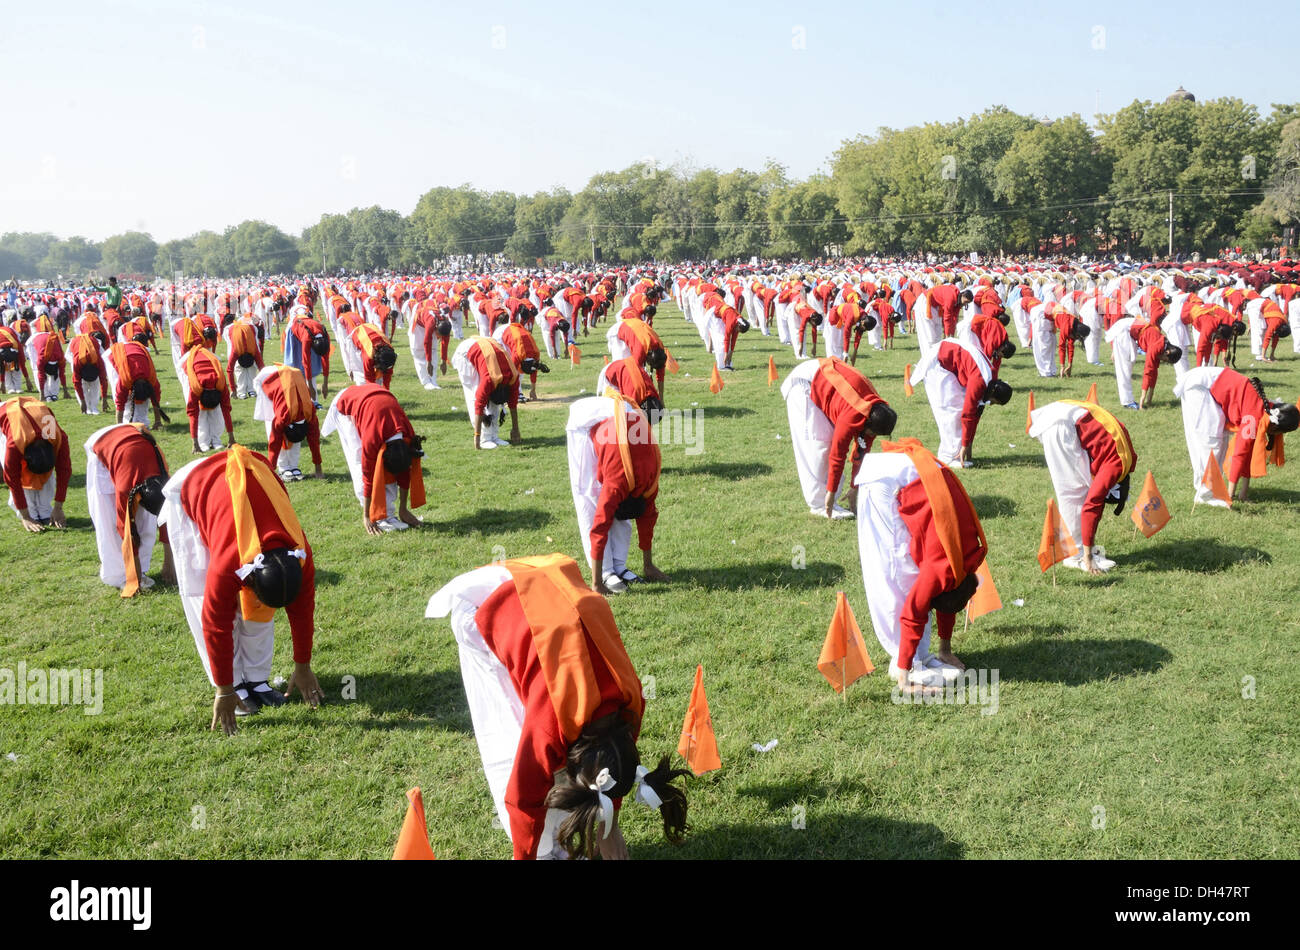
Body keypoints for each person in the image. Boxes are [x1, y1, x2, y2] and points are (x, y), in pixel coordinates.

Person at [425, 553, 689, 859]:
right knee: (508, 736)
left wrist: (609, 831)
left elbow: (607, 784)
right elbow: (521, 800)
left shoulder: (631, 705)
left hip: (546, 586)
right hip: (481, 607)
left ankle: (557, 842)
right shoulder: (549, 725)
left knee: (550, 764)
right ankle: (547, 851)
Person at [159, 445, 323, 734]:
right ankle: (236, 685)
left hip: (247, 477)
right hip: (195, 486)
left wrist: (303, 666)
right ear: (247, 578)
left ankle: (257, 680)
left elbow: (302, 612)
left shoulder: (300, 554)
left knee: (257, 612)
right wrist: (223, 688)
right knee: (202, 595)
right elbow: (215, 624)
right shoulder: (229, 563)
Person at [855, 437, 987, 689]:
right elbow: (914, 611)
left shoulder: (970, 561)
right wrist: (905, 680)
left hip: (920, 472)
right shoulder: (941, 572)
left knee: (912, 571)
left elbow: (945, 603)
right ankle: (906, 663)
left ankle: (922, 656)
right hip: (888, 479)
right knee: (898, 570)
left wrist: (944, 649)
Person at [565, 394, 669, 595]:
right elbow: (598, 527)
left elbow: (648, 521)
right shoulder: (617, 483)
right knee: (590, 496)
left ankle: (619, 567)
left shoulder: (649, 486)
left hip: (621, 418)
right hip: (585, 420)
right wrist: (596, 584)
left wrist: (649, 565)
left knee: (618, 516)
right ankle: (605, 572)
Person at [1028, 399, 1137, 574]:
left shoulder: (1129, 459)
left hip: (1063, 411)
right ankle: (1076, 555)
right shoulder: (1114, 466)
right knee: (1075, 492)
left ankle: (1079, 549)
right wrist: (1089, 555)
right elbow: (1092, 505)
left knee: (1081, 486)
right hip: (1061, 426)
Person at [781, 357, 897, 518]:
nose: (872, 437)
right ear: (867, 423)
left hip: (821, 376)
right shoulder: (853, 416)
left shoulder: (875, 412)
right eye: (872, 433)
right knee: (819, 445)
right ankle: (820, 505)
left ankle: (829, 499)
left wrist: (854, 487)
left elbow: (862, 451)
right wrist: (830, 493)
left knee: (825, 444)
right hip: (804, 383)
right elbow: (838, 455)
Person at [1173, 367, 1299, 505]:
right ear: (1275, 427)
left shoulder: (1265, 409)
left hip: (1206, 383)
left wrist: (1243, 493)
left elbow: (1249, 454)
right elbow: (1240, 454)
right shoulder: (1254, 418)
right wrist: (1230, 496)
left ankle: (1213, 490)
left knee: (1221, 443)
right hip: (1200, 386)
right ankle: (1205, 495)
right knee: (1211, 442)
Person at [321, 382, 426, 533]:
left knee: (388, 471)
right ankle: (375, 514)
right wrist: (367, 516)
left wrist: (403, 508)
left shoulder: (407, 436)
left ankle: (388, 514)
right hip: (346, 405)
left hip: (370, 399)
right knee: (358, 459)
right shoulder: (372, 440)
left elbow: (404, 472)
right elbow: (368, 477)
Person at [84, 422, 176, 594]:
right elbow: (123, 526)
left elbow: (167, 519)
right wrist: (134, 576)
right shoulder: (126, 487)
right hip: (103, 441)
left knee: (146, 520)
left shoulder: (164, 478)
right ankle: (120, 575)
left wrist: (169, 562)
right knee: (108, 519)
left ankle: (141, 569)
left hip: (130, 437)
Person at [909, 337, 1013, 468]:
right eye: (994, 402)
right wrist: (965, 444)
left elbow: (977, 413)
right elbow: (968, 413)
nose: (991, 404)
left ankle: (955, 453)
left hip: (945, 359)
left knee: (958, 408)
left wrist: (968, 443)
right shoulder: (980, 381)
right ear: (993, 394)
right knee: (952, 410)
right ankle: (948, 457)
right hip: (938, 364)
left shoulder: (991, 380)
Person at [0, 395, 71, 531]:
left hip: (33, 408)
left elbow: (64, 471)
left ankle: (44, 510)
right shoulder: (14, 443)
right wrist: (25, 516)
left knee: (44, 479)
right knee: (24, 478)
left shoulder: (58, 439)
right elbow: (12, 479)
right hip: (8, 413)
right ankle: (30, 512)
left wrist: (58, 507)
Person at [253, 363, 323, 482]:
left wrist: (318, 467)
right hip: (268, 379)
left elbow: (314, 440)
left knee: (291, 441)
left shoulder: (310, 415)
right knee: (270, 422)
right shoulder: (282, 416)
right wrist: (271, 469)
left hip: (294, 377)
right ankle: (283, 467)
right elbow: (274, 441)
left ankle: (293, 466)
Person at [452, 336, 521, 450]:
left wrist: (515, 429)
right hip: (465, 352)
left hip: (486, 347)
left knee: (493, 403)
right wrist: (477, 437)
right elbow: (479, 406)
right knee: (474, 394)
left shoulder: (513, 378)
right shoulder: (489, 380)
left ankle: (493, 436)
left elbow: (513, 405)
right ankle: (485, 439)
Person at [182, 346, 235, 453]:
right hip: (188, 362)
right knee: (201, 414)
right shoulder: (195, 388)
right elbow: (192, 413)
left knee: (216, 414)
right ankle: (203, 442)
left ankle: (216, 440)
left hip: (209, 359)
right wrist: (195, 444)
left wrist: (231, 438)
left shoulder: (221, 385)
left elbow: (226, 410)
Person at [107, 338, 163, 427]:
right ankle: (127, 423)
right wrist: (120, 427)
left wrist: (158, 421)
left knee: (140, 406)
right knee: (124, 400)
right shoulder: (125, 380)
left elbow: (156, 400)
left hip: (137, 349)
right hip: (115, 353)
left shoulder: (152, 381)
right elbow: (119, 404)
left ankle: (140, 420)